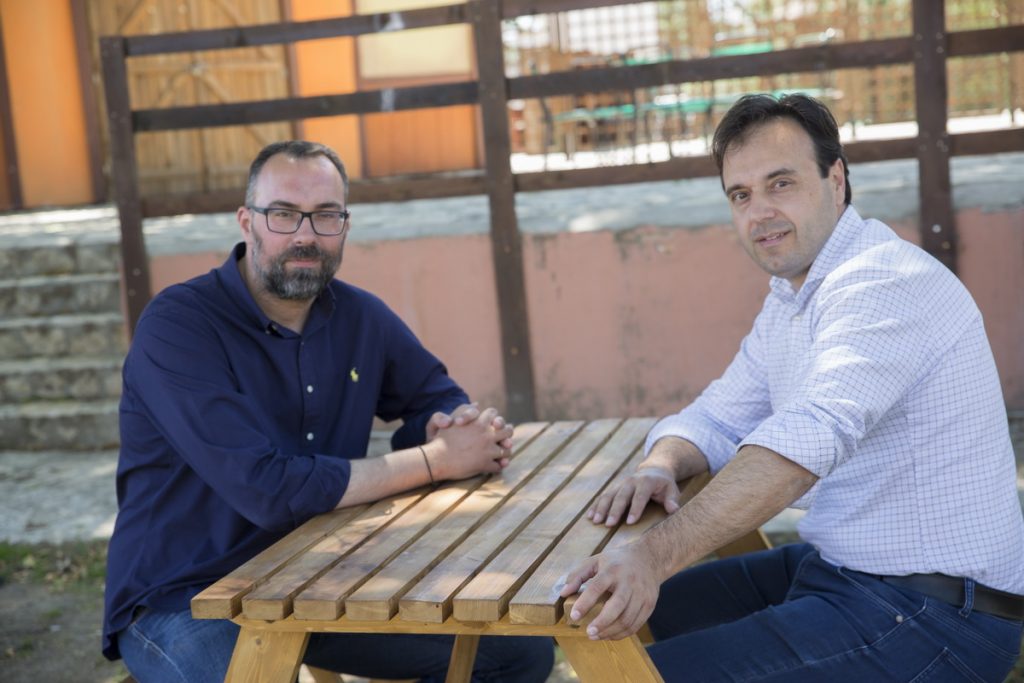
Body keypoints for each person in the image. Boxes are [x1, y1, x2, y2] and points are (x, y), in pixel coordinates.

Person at [561, 94, 1024, 681]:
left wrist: (652, 556)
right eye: (741, 195)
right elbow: (718, 416)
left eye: (781, 183)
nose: (760, 212)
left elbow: (801, 448)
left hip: (939, 615)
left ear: (836, 180)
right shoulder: (794, 296)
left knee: (636, 674)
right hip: (844, 568)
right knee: (604, 614)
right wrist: (661, 465)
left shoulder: (883, 281)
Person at [102, 140, 553, 683]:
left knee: (516, 653)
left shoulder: (360, 316)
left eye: (325, 215)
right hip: (185, 595)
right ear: (247, 221)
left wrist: (446, 425)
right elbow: (269, 491)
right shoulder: (178, 327)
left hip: (320, 574)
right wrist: (436, 459)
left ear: (345, 225)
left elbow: (434, 395)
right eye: (283, 214)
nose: (305, 235)